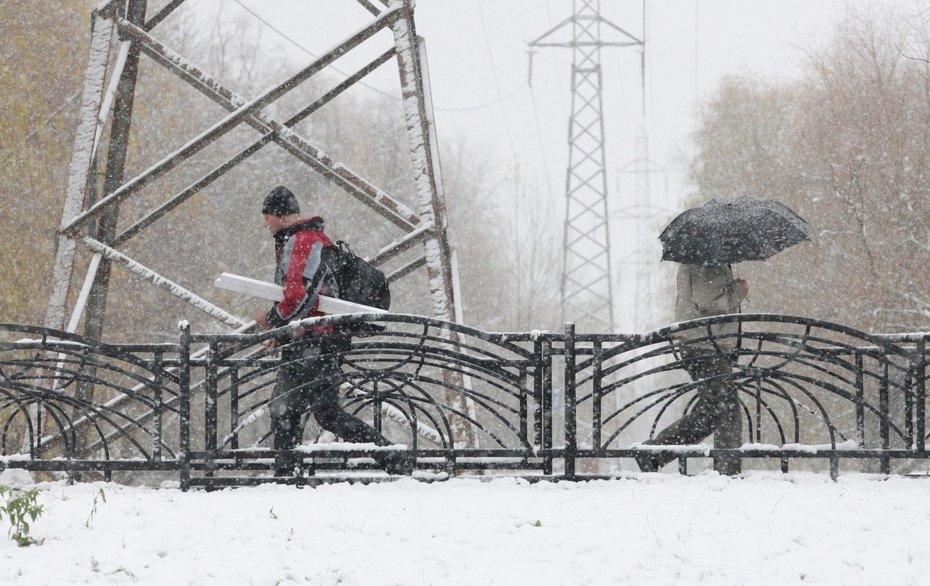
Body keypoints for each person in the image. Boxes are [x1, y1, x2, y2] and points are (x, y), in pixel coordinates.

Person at [254, 186, 411, 477]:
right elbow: (312, 297)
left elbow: (300, 297)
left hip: (313, 342)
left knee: (285, 410)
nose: (265, 224)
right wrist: (284, 330)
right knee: (322, 413)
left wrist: (273, 318)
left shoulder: (301, 242)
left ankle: (286, 475)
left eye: (267, 217)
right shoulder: (310, 239)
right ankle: (391, 457)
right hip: (321, 340)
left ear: (283, 216)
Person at [636, 263, 748, 475]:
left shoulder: (701, 257)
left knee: (723, 407)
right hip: (705, 344)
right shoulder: (709, 259)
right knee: (718, 408)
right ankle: (656, 452)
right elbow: (709, 300)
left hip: (703, 343)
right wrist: (737, 292)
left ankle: (727, 467)